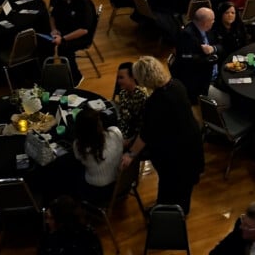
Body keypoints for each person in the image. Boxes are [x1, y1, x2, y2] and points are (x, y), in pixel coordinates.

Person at [121, 56, 204, 214]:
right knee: (184, 187)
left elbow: (146, 133)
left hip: (176, 153)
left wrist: (131, 154)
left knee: (169, 185)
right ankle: (179, 211)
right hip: (191, 144)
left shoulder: (156, 101)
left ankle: (165, 214)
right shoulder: (177, 85)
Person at [49, 0, 98, 85]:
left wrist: (62, 39)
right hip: (64, 29)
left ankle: (75, 77)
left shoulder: (83, 3)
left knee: (64, 49)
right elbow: (52, 15)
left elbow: (84, 30)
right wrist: (53, 29)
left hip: (81, 36)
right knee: (46, 42)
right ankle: (49, 69)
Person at [73, 107, 123, 205]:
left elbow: (78, 159)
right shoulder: (115, 132)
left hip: (97, 191)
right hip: (120, 183)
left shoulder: (79, 146)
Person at [174, 7, 219, 103]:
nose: (213, 22)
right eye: (212, 20)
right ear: (205, 22)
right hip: (197, 79)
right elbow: (185, 57)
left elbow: (220, 45)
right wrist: (208, 59)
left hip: (211, 70)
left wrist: (213, 49)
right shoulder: (187, 35)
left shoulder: (208, 29)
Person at [114, 62, 147, 145]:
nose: (118, 81)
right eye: (118, 78)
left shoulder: (142, 96)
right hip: (121, 130)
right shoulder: (122, 94)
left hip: (134, 138)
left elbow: (143, 126)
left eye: (121, 78)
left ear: (132, 77)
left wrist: (130, 140)